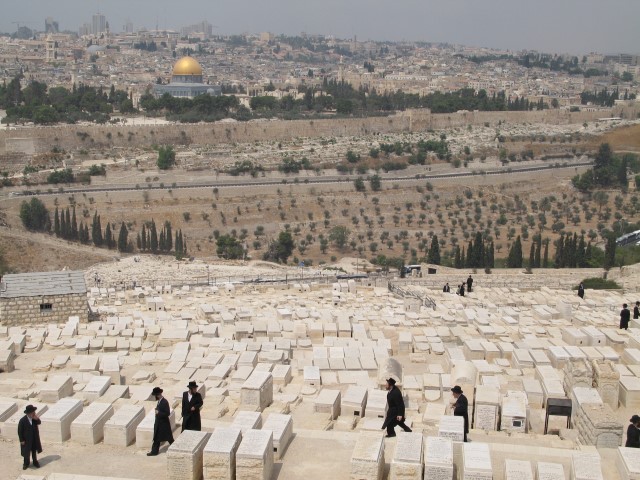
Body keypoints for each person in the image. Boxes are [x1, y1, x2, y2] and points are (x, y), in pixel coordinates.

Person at [147, 387, 174, 456]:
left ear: (158, 395)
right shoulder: (159, 401)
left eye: (155, 395)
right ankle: (154, 451)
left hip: (164, 424)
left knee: (169, 438)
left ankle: (175, 448)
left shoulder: (164, 402)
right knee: (156, 438)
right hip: (159, 423)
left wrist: (158, 413)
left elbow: (167, 413)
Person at [18, 405, 42, 470]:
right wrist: (21, 440)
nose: (34, 413)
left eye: (34, 412)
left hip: (34, 439)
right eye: (32, 413)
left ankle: (35, 462)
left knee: (34, 451)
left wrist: (36, 418)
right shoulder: (22, 420)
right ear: (28, 413)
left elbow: (39, 422)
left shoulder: (34, 419)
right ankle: (26, 463)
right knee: (26, 453)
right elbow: (20, 431)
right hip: (26, 440)